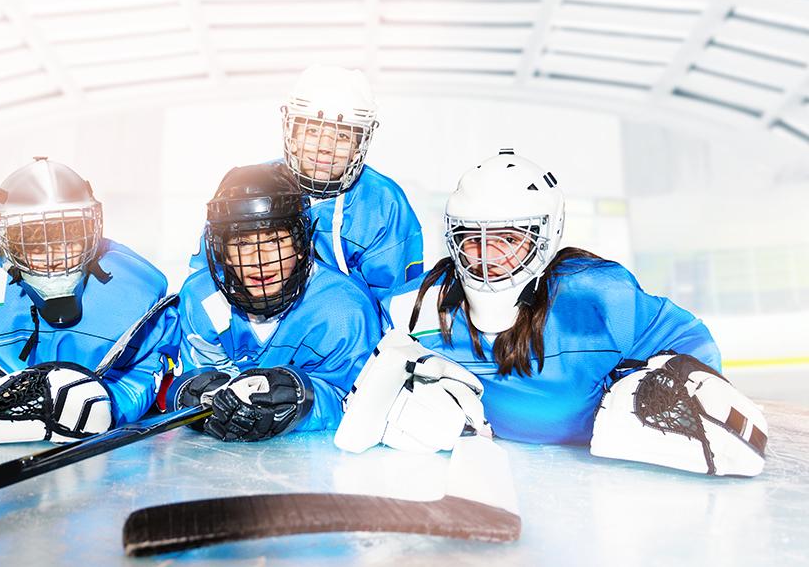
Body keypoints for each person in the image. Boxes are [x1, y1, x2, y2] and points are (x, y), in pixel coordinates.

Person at [364, 149, 766, 476]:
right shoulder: (413, 309)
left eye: (508, 238)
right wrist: (393, 396)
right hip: (495, 478)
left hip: (604, 488)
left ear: (545, 236)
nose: (487, 256)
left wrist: (642, 385)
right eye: (472, 238)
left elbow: (690, 341)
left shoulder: (597, 297)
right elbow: (358, 363)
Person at [0, 158, 180, 444]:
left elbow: (143, 374)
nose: (54, 258)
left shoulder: (140, 296)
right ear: (7, 244)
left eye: (68, 238)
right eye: (34, 243)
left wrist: (109, 405)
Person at [170, 162, 381, 441]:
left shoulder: (344, 310)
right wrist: (197, 395)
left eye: (274, 241)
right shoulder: (201, 298)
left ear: (300, 245)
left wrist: (303, 402)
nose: (259, 261)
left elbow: (361, 404)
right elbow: (200, 374)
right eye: (243, 244)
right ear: (223, 252)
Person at [191, 65, 424, 302]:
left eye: (342, 135)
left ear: (358, 147)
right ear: (291, 135)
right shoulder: (249, 189)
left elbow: (395, 302)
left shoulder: (384, 203)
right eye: (312, 131)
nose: (325, 146)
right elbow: (206, 281)